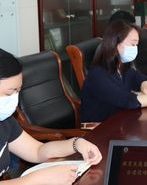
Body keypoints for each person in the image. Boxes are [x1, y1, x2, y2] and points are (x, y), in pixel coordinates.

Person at [0, 48, 102, 184]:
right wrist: (36, 180)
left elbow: (37, 151)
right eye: (9, 93)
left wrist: (76, 143)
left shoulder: (5, 121)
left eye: (18, 91)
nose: (14, 99)